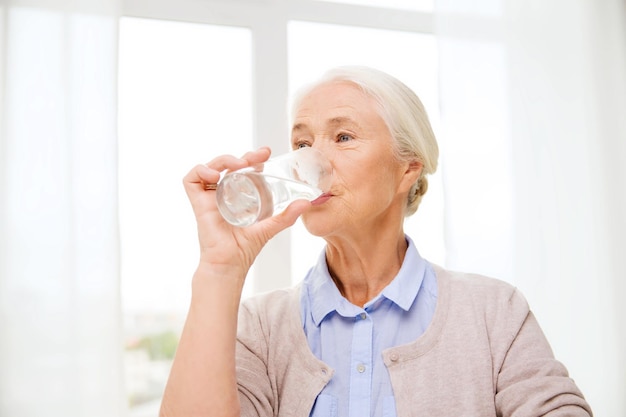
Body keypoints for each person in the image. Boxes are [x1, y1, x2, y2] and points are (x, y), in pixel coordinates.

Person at [160, 66, 592, 417]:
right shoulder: (260, 327)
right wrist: (220, 269)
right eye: (302, 142)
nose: (311, 162)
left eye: (343, 137)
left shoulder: (493, 311)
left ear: (407, 169)